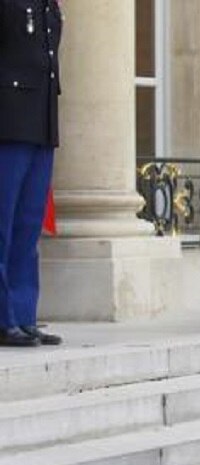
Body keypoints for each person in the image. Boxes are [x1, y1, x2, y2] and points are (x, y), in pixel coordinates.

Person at [0, 0, 63, 347]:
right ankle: (2, 318)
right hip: (8, 122)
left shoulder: (48, 4)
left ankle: (24, 315)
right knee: (2, 227)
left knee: (27, 227)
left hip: (40, 121)